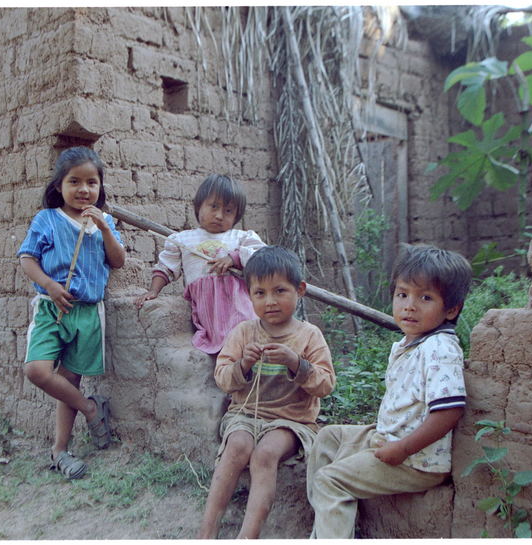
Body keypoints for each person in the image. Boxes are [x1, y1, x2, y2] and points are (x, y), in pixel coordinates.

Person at [306, 243, 473, 538]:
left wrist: (402, 449)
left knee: (331, 480)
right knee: (328, 437)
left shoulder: (439, 349)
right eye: (402, 294)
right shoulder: (411, 343)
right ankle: (326, 529)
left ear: (451, 309)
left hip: (417, 461)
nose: (409, 305)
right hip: (387, 438)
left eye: (425, 297)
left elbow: (448, 412)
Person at [197, 245, 335, 539]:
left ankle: (248, 536)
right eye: (260, 293)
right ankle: (206, 533)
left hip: (291, 421)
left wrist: (296, 363)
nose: (270, 301)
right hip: (244, 415)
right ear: (249, 295)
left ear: (300, 290)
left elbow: (325, 384)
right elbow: (223, 378)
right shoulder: (244, 333)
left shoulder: (309, 335)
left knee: (265, 454)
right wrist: (243, 364)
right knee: (236, 448)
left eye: (280, 291)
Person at [17, 146, 126, 480]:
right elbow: (27, 258)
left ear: (100, 187)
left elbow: (118, 261)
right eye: (74, 181)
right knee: (37, 370)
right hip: (54, 309)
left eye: (91, 182)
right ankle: (92, 409)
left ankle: (60, 451)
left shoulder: (103, 222)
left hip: (88, 312)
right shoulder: (47, 220)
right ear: (59, 186)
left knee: (70, 381)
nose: (83, 189)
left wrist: (106, 229)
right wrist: (49, 285)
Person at [134, 174, 265, 355]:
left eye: (228, 211)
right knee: (221, 344)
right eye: (213, 206)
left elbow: (262, 258)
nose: (219, 215)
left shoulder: (241, 238)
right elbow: (166, 267)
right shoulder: (182, 239)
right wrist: (154, 290)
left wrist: (234, 258)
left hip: (238, 300)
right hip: (207, 305)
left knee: (245, 334)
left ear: (237, 216)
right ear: (199, 206)